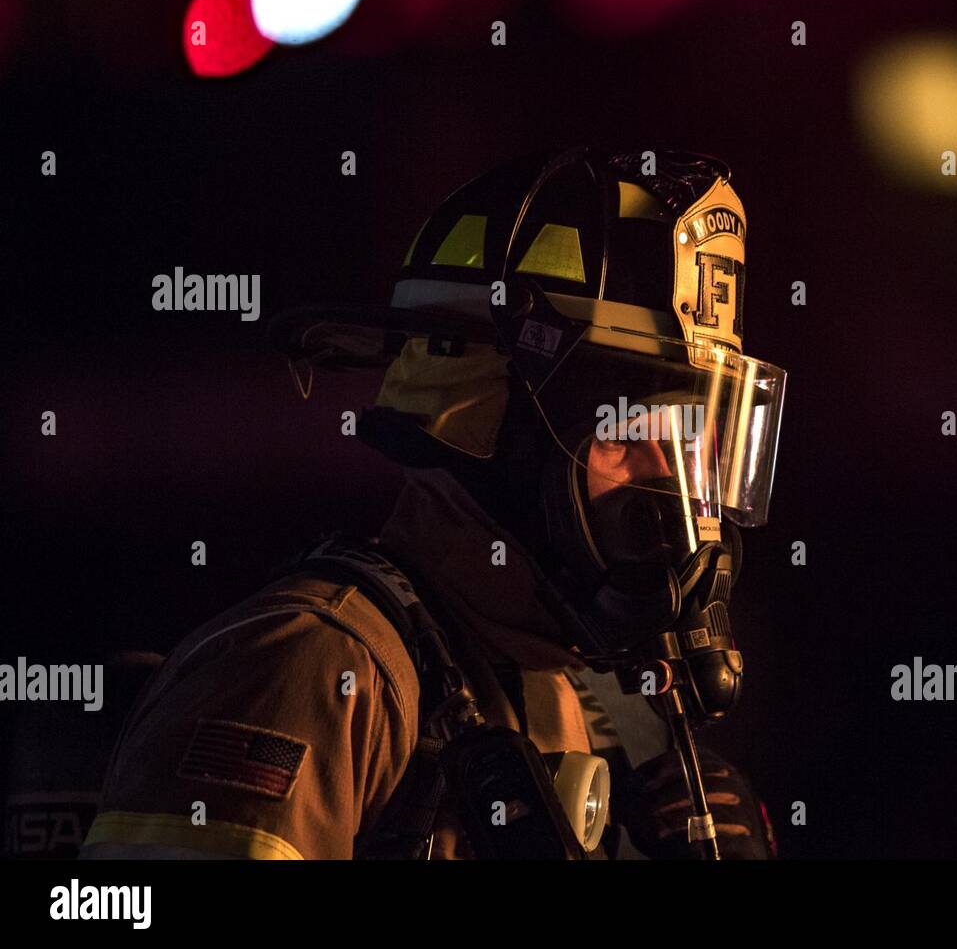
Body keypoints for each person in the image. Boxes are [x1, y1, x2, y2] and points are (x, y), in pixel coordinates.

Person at [81, 147, 787, 860]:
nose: (671, 487)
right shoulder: (315, 672)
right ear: (491, 430)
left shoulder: (570, 700)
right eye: (627, 436)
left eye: (689, 441)